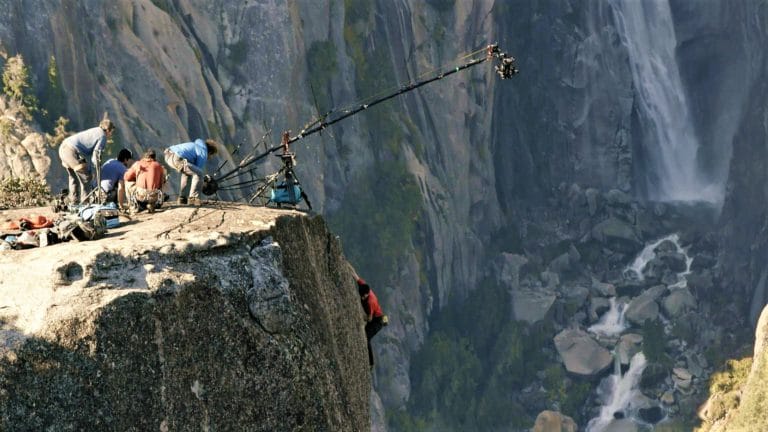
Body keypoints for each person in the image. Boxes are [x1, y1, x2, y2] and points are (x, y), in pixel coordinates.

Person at [58, 118, 115, 204]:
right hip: (71, 151)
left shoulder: (96, 131)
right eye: (111, 132)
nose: (111, 135)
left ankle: (74, 201)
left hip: (63, 148)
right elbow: (96, 156)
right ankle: (85, 203)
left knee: (74, 176)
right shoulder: (102, 136)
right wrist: (97, 172)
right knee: (86, 177)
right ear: (107, 130)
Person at [163, 138, 218, 206]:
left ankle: (182, 198)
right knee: (199, 173)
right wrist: (205, 179)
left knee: (187, 172)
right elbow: (198, 170)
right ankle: (194, 198)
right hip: (176, 158)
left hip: (168, 155)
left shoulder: (196, 146)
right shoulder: (203, 152)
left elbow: (192, 169)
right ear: (210, 152)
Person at [353, 270, 388, 368]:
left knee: (366, 337)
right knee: (363, 332)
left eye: (363, 296)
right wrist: (345, 264)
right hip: (376, 316)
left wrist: (359, 317)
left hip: (377, 321)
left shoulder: (370, 302)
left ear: (367, 294)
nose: (362, 298)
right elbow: (355, 275)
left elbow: (369, 319)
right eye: (361, 296)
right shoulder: (364, 287)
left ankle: (371, 363)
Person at [124, 149, 166, 213]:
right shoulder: (159, 166)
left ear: (144, 157)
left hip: (141, 195)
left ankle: (133, 206)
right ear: (154, 157)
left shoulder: (138, 164)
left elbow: (126, 177)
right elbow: (162, 183)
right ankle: (152, 204)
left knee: (127, 183)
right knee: (163, 179)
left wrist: (136, 178)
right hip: (155, 196)